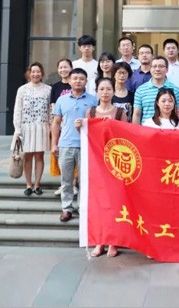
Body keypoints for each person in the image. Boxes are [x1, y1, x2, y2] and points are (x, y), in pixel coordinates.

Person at [80, 77, 127, 258]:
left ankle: (113, 242)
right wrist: (80, 127)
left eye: (108, 89)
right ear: (97, 92)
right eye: (102, 89)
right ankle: (100, 241)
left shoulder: (120, 112)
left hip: (115, 164)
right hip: (96, 164)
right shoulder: (91, 112)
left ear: (114, 92)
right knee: (99, 203)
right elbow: (87, 135)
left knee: (114, 204)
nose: (105, 92)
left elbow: (126, 136)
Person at [51, 68, 97, 222]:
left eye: (81, 79)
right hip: (66, 144)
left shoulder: (93, 100)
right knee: (66, 180)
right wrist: (54, 144)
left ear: (86, 81)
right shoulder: (61, 100)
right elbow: (56, 123)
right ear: (69, 81)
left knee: (85, 180)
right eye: (75, 78)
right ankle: (67, 208)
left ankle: (83, 208)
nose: (78, 81)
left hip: (86, 145)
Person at [13, 62, 51, 196]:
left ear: (42, 73)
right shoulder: (22, 89)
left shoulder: (48, 89)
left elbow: (50, 109)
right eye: (33, 71)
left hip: (42, 126)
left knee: (40, 156)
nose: (36, 74)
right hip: (26, 126)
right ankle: (28, 184)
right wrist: (17, 128)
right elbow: (18, 110)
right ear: (29, 74)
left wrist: (51, 127)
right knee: (27, 156)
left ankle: (37, 184)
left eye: (38, 71)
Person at [132, 56, 179, 124]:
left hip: (169, 128)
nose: (157, 69)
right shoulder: (140, 90)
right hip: (147, 129)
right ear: (150, 69)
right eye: (154, 66)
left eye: (161, 66)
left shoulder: (175, 90)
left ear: (167, 69)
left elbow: (178, 113)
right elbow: (137, 114)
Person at [50, 59, 73, 196]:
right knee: (61, 157)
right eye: (61, 67)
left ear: (71, 68)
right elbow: (53, 106)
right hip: (60, 126)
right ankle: (63, 185)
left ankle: (75, 184)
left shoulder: (75, 83)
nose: (63, 70)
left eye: (66, 67)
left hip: (72, 126)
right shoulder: (55, 87)